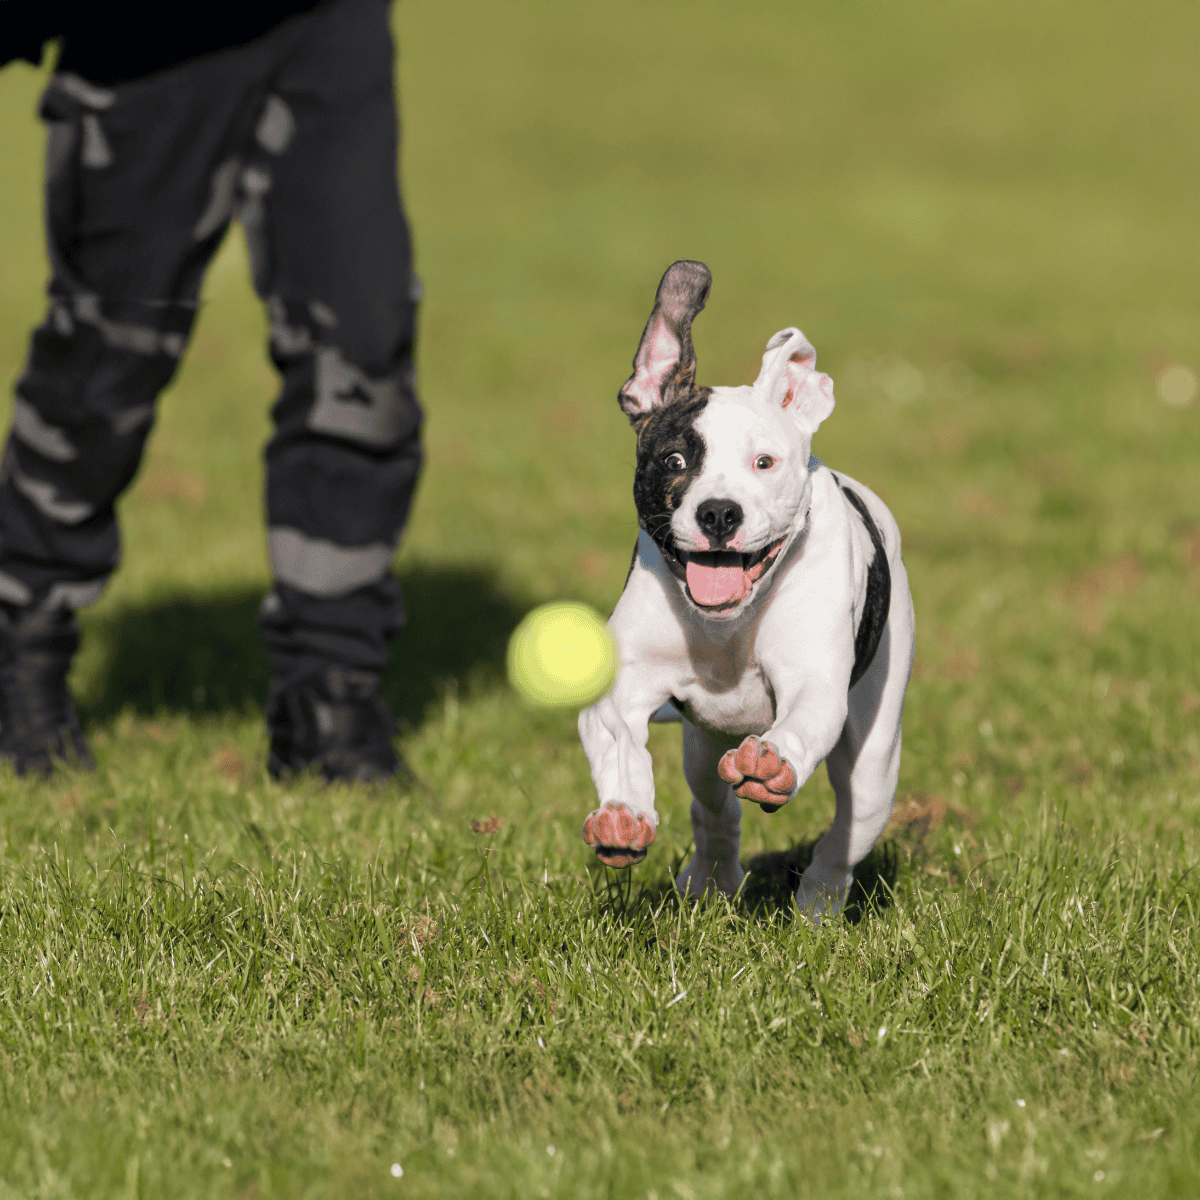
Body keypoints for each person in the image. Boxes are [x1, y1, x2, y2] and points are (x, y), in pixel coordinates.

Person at [0, 0, 423, 781]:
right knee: (107, 357)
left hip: (326, 24)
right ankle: (20, 637)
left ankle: (328, 700)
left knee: (361, 350)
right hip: (147, 46)